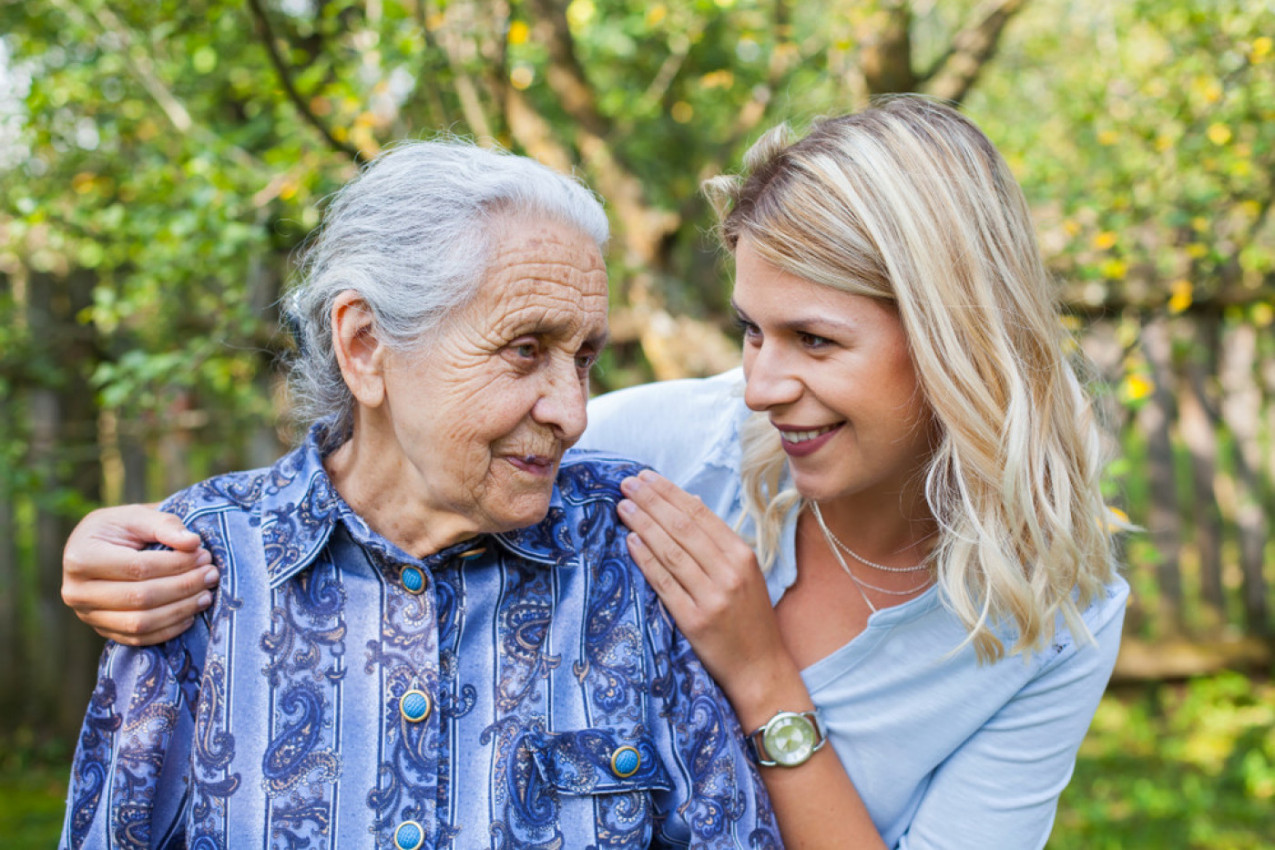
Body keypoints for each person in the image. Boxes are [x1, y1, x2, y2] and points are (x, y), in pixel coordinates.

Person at [62, 97, 1128, 849]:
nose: (761, 387)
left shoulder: (1058, 617)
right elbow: (405, 461)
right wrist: (127, 541)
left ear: (952, 341)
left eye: (814, 339)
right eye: (751, 331)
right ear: (363, 342)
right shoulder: (665, 449)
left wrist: (762, 678)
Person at [59, 140, 780, 850]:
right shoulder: (202, 569)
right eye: (524, 349)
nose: (572, 412)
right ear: (365, 346)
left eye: (584, 358)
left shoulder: (630, 546)